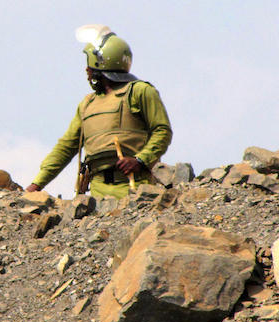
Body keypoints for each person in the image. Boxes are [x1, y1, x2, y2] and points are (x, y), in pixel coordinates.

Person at [25, 25, 172, 199]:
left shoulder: (140, 91)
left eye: (89, 65)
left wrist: (140, 160)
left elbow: (162, 131)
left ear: (101, 62)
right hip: (97, 192)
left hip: (136, 188)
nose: (86, 70)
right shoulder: (87, 104)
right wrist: (36, 185)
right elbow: (66, 147)